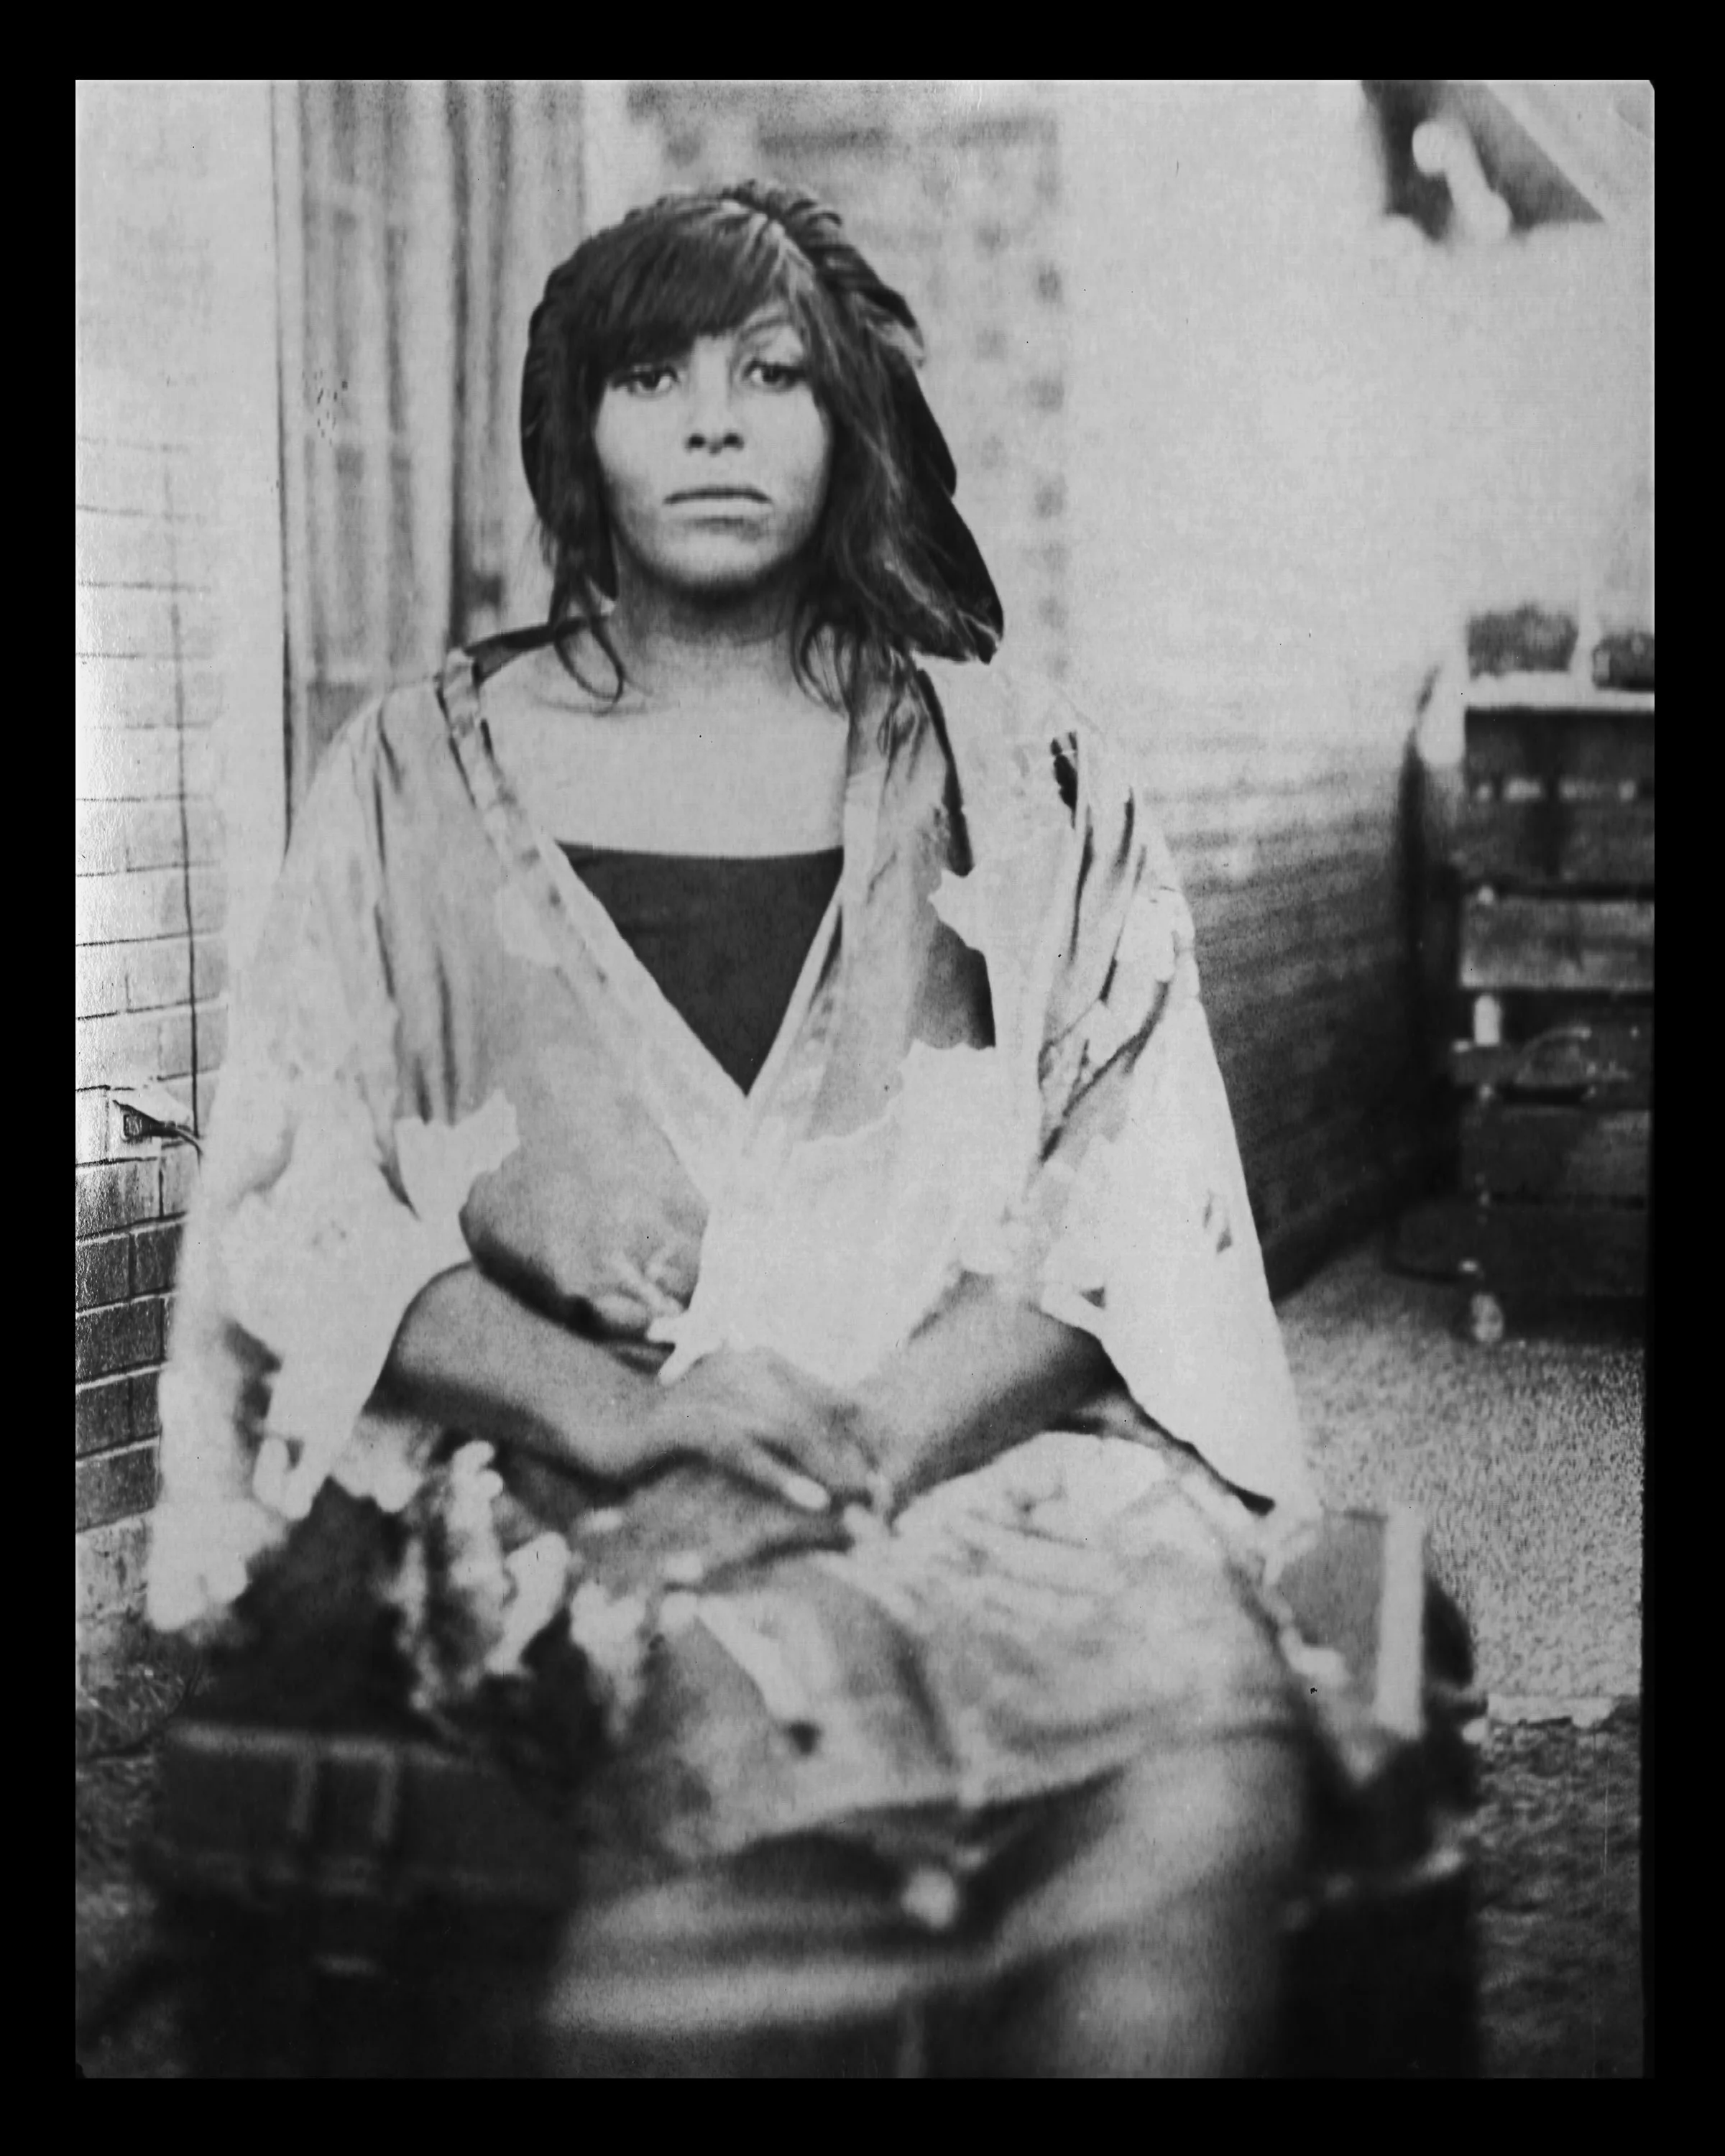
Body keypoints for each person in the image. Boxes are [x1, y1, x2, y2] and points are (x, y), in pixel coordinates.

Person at [149, 181, 1322, 2076]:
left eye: (772, 375)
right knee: (744, 1710)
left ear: (844, 427)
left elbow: (1133, 1171)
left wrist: (873, 1431)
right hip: (577, 1480)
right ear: (573, 432)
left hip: (980, 1453)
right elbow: (307, 1202)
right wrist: (628, 1417)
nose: (713, 420)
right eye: (652, 375)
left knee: (1186, 1708)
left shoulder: (1017, 770)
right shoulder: (404, 778)